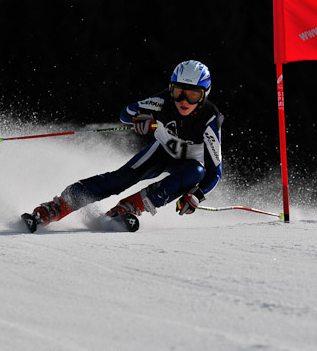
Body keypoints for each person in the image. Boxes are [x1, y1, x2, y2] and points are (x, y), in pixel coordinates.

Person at [23, 60, 223, 231]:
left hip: (188, 164)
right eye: (178, 92)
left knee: (196, 172)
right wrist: (140, 118)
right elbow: (126, 112)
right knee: (122, 179)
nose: (184, 100)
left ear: (205, 94)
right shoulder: (163, 101)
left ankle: (128, 208)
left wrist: (195, 196)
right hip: (161, 151)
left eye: (193, 95)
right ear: (171, 89)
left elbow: (215, 172)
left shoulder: (210, 121)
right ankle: (58, 206)